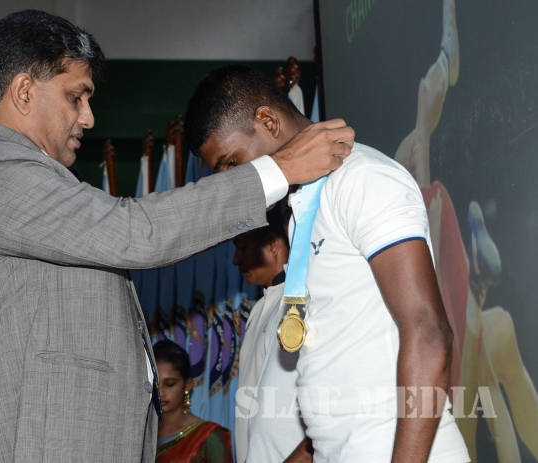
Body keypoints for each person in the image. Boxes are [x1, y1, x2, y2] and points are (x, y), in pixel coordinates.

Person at [0, 10, 354, 463]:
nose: (88, 117)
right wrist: (280, 168)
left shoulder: (32, 177)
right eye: (76, 97)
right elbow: (134, 232)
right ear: (23, 91)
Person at [184, 65, 470, 462]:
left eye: (233, 163)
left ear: (268, 121)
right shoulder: (299, 207)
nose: (236, 181)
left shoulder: (362, 178)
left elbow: (428, 331)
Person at [392, 0, 538, 459]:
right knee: (493, 351)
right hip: (443, 326)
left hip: (441, 326)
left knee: (414, 153)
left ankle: (445, 62)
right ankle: (445, 63)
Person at [232, 205, 307, 463]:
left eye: (242, 248)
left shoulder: (298, 300)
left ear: (273, 245)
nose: (236, 260)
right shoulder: (261, 306)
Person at [154, 340, 232, 463]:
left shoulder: (208, 436)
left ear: (188, 385)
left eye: (170, 384)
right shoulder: (138, 433)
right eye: (155, 385)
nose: (161, 393)